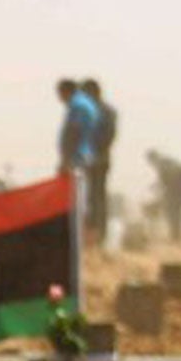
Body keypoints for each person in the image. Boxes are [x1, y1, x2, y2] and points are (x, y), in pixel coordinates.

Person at [55, 78, 101, 237]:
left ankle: (77, 235)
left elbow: (74, 132)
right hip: (82, 156)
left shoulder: (78, 105)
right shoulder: (86, 104)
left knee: (74, 199)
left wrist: (66, 160)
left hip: (77, 158)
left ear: (65, 91)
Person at [81, 79, 117, 242]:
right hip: (90, 160)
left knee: (97, 199)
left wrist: (93, 153)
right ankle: (92, 235)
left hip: (99, 161)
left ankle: (99, 235)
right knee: (91, 198)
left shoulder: (105, 111)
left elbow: (107, 137)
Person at [151, 150, 181, 243]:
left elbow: (167, 181)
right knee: (174, 210)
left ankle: (175, 236)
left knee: (173, 210)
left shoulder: (162, 165)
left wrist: (161, 189)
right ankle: (176, 235)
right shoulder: (168, 162)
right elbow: (166, 182)